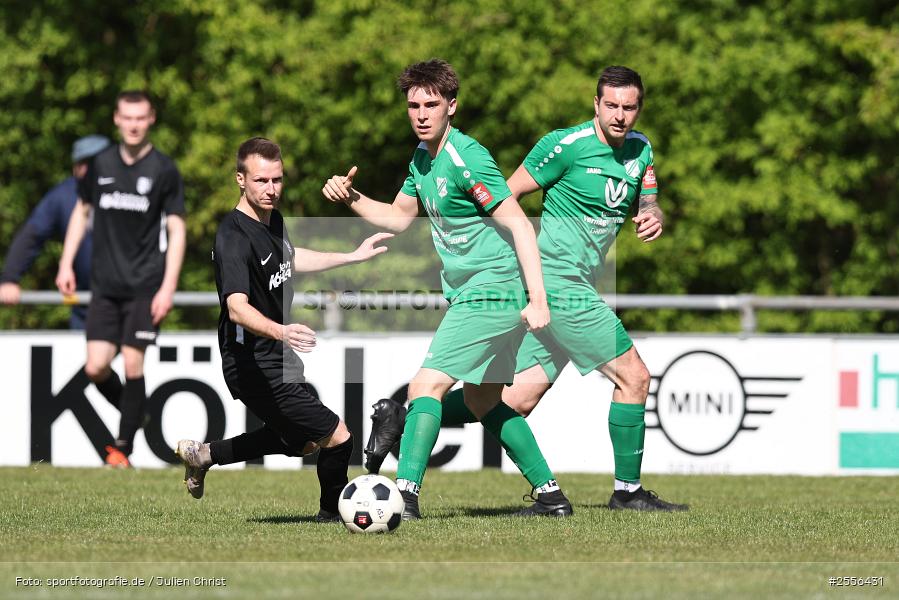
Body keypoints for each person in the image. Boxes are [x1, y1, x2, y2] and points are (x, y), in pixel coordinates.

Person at [366, 66, 688, 512]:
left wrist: (653, 215)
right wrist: (493, 272)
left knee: (510, 400)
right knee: (634, 377)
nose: (619, 115)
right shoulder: (563, 146)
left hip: (543, 286)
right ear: (594, 104)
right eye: (610, 105)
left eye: (628, 107)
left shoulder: (641, 150)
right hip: (556, 281)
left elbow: (648, 198)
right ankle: (627, 493)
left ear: (639, 109)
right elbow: (506, 199)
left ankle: (412, 423)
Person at [323, 59, 572, 520]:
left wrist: (538, 298)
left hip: (492, 289)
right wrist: (352, 198)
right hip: (479, 292)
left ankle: (405, 496)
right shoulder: (423, 158)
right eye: (413, 105)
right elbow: (398, 218)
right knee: (481, 400)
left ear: (451, 106)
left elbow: (519, 225)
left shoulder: (466, 158)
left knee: (425, 387)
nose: (421, 113)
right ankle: (551, 496)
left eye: (431, 104)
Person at [174, 137, 391, 522]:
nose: (271, 189)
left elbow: (291, 259)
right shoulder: (232, 237)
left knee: (301, 441)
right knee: (338, 435)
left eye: (277, 180)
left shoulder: (272, 219)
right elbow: (237, 309)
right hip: (251, 361)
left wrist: (352, 256)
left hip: (276, 353)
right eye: (261, 181)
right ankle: (332, 516)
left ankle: (204, 455)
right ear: (241, 179)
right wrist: (282, 331)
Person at [56, 91, 186, 468]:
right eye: (127, 117)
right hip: (105, 286)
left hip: (145, 285)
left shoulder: (164, 169)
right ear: (116, 119)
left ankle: (122, 449)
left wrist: (168, 287)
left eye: (140, 117)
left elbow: (177, 230)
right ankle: (137, 413)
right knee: (96, 367)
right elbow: (81, 213)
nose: (133, 124)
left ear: (151, 120)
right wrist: (65, 263)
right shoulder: (99, 164)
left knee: (133, 365)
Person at [1, 135, 110, 328]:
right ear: (76, 167)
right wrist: (10, 279)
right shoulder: (63, 196)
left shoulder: (129, 188)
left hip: (129, 299)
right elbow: (32, 235)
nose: (91, 170)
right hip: (84, 304)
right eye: (84, 163)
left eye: (96, 162)